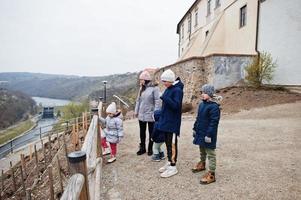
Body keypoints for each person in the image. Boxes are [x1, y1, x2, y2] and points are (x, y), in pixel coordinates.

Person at [192, 84, 222, 184]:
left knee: (210, 153)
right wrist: (195, 128)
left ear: (210, 94)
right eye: (202, 92)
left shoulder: (214, 107)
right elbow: (198, 118)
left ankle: (212, 173)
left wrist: (209, 135)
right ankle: (202, 163)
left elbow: (214, 123)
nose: (202, 94)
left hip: (208, 135)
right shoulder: (201, 104)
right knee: (202, 149)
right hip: (200, 132)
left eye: (204, 93)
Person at [157, 69, 184, 178]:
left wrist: (164, 97)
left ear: (170, 80)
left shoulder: (177, 90)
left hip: (173, 123)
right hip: (166, 121)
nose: (163, 84)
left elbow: (176, 106)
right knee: (167, 143)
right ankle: (169, 161)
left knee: (172, 144)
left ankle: (173, 166)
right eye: (162, 81)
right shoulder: (169, 88)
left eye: (165, 81)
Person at [135, 70, 161, 156]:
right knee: (142, 132)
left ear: (146, 79)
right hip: (141, 114)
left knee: (151, 132)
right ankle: (142, 148)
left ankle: (151, 148)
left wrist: (156, 113)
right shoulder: (141, 88)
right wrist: (136, 111)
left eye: (141, 79)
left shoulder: (155, 88)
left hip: (151, 114)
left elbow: (157, 101)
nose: (140, 81)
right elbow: (138, 100)